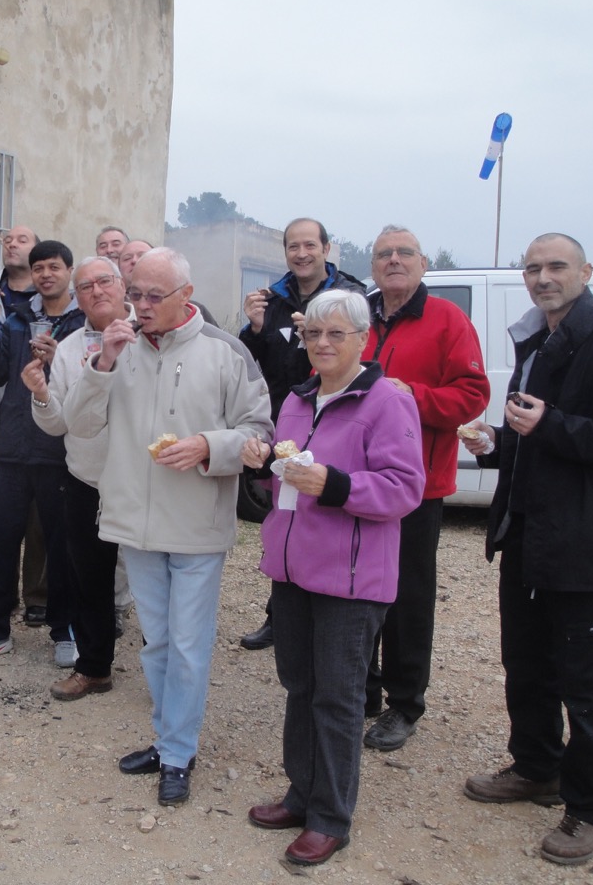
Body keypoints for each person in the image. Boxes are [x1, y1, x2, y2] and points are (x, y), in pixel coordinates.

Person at [461, 234, 593, 866]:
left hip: (582, 544)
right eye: (533, 268)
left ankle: (591, 808)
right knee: (524, 662)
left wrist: (553, 424)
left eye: (556, 266)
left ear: (585, 272)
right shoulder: (536, 342)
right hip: (528, 535)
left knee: (584, 680)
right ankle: (536, 767)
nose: (543, 277)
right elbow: (533, 437)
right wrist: (495, 443)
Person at [62, 248, 273, 807]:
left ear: (186, 294)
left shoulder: (225, 351)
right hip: (134, 522)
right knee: (157, 641)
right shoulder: (118, 347)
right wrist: (102, 365)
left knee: (187, 644)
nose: (142, 305)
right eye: (135, 294)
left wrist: (209, 445)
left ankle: (178, 753)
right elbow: (78, 424)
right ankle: (167, 739)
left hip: (196, 524)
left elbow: (260, 431)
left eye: (155, 295)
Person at [241, 289, 425, 867]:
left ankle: (330, 817)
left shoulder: (386, 402)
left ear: (363, 339)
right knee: (300, 686)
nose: (322, 343)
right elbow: (285, 480)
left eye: (336, 334)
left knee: (339, 698)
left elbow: (404, 489)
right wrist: (262, 462)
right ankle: (302, 793)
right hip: (294, 570)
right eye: (313, 334)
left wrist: (336, 484)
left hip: (351, 578)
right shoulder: (298, 399)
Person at [360, 225, 489, 752]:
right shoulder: (360, 316)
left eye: (404, 253)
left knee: (407, 597)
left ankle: (405, 701)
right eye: (384, 254)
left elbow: (473, 394)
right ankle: (363, 688)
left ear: (423, 263)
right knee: (358, 586)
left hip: (417, 485)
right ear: (372, 266)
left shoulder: (447, 319)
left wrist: (408, 396)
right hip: (358, 480)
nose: (394, 260)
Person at [0, 240, 85, 667]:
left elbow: (97, 385)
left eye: (54, 267)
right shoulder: (16, 317)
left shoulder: (85, 322)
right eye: (39, 268)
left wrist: (61, 359)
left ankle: (66, 631)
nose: (46, 274)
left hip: (62, 450)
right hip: (10, 448)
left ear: (69, 272)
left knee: (64, 548)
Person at [237, 217, 367, 651]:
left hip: (335, 419)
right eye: (293, 246)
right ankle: (281, 617)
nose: (301, 253)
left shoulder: (349, 295)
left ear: (326, 249)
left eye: (310, 245)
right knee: (284, 518)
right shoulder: (271, 298)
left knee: (324, 518)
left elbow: (356, 358)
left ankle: (328, 615)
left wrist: (312, 336)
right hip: (287, 420)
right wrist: (255, 329)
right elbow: (254, 364)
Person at [22, 256, 134, 698]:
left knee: (155, 578)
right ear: (77, 296)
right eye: (86, 286)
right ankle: (94, 668)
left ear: (122, 285)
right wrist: (41, 395)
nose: (96, 291)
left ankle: (165, 671)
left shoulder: (150, 334)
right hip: (88, 479)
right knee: (90, 579)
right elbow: (58, 424)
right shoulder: (69, 349)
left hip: (146, 478)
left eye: (104, 281)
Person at [0, 224, 50, 627]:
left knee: (40, 520)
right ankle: (1, 597)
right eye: (7, 239)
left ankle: (38, 597)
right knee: (1, 520)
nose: (12, 244)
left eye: (22, 239)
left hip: (44, 420)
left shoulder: (53, 302)